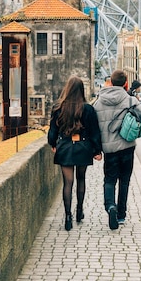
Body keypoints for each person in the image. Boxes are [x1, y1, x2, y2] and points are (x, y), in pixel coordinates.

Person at [93, 70, 141, 229]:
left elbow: (93, 127)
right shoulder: (130, 100)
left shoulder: (98, 102)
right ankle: (121, 215)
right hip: (127, 147)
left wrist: (96, 149)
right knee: (124, 181)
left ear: (110, 82)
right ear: (126, 83)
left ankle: (110, 206)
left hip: (109, 150)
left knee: (109, 180)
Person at [48, 76, 103, 231]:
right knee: (81, 179)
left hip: (65, 147)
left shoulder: (58, 107)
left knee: (68, 183)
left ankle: (67, 217)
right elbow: (94, 132)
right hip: (83, 147)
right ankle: (79, 211)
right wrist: (97, 150)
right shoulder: (88, 109)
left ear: (67, 88)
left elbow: (53, 130)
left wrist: (53, 144)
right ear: (81, 90)